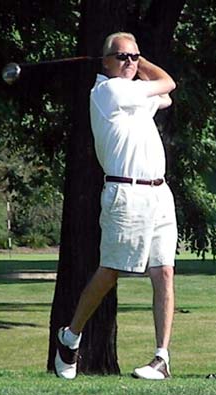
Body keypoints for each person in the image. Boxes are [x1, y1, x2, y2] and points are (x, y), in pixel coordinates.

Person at [55, 32, 177, 380]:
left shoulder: (135, 94)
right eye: (122, 57)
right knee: (111, 271)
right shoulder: (108, 91)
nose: (130, 62)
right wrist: (142, 63)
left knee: (164, 271)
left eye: (133, 57)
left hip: (159, 194)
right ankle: (70, 336)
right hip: (126, 194)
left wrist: (137, 60)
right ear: (105, 61)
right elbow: (167, 81)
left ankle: (161, 358)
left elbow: (166, 95)